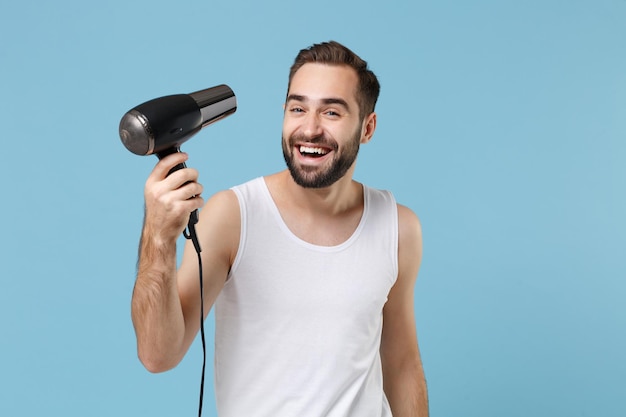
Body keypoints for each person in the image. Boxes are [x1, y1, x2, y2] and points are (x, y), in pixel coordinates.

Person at [131, 40, 428, 416]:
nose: (310, 128)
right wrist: (158, 237)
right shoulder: (233, 216)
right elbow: (158, 355)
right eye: (297, 108)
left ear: (367, 127)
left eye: (332, 112)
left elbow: (402, 364)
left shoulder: (398, 227)